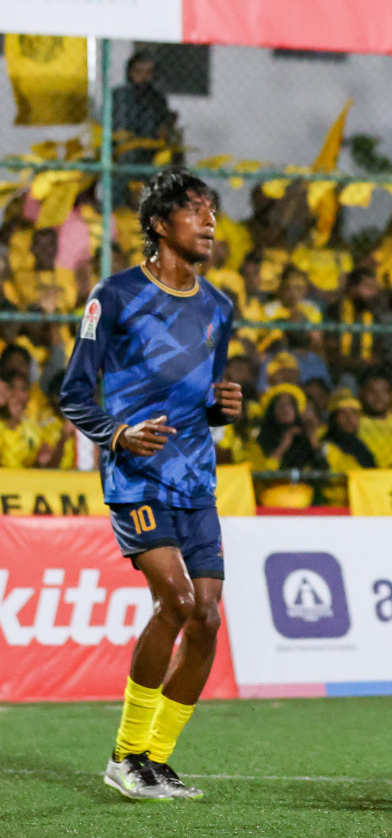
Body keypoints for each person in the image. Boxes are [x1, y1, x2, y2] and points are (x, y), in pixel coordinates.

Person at [58, 169, 241, 801]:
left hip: (196, 481)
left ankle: (155, 759)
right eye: (196, 211)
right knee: (178, 600)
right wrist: (118, 436)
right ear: (161, 224)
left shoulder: (221, 307)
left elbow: (203, 399)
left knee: (209, 617)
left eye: (213, 211)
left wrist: (222, 408)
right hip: (136, 477)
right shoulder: (113, 296)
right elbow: (74, 394)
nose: (210, 222)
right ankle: (124, 756)